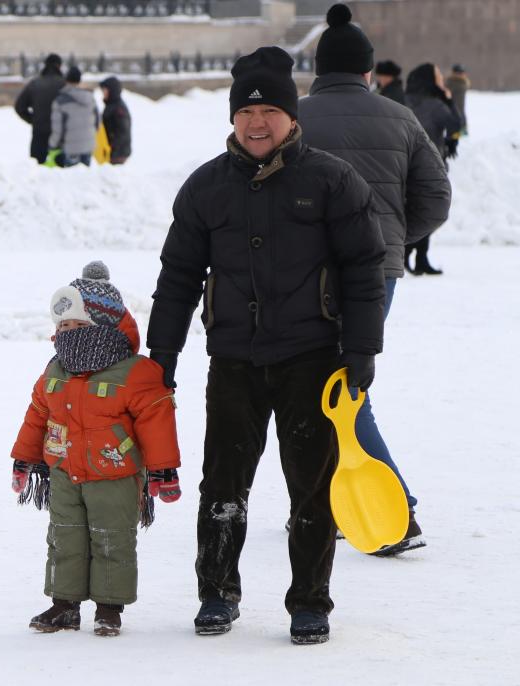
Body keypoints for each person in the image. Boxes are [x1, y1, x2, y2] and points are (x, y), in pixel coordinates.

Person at [147, 46, 386, 645]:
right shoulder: (205, 187)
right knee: (223, 486)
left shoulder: (332, 179)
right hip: (234, 360)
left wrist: (362, 350)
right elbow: (177, 277)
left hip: (312, 359)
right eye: (248, 113)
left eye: (271, 112)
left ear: (292, 116)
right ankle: (217, 593)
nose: (259, 123)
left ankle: (310, 601)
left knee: (313, 485)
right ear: (233, 119)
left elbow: (364, 268)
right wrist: (163, 354)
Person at [299, 2, 450, 555]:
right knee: (344, 380)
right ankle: (336, 500)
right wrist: (393, 240)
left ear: (319, 69)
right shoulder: (401, 117)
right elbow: (436, 198)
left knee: (335, 387)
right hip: (377, 274)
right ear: (367, 71)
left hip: (305, 275)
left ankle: (395, 509)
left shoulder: (296, 116)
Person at [10, 261, 181, 638]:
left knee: (112, 538)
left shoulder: (135, 372)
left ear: (101, 325)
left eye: (75, 326)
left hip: (115, 474)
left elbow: (157, 419)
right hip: (64, 470)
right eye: (61, 327)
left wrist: (163, 470)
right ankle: (64, 605)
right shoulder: (56, 370)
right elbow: (38, 415)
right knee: (64, 535)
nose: (65, 334)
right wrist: (25, 458)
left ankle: (109, 608)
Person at [404, 63, 462, 275]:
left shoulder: (404, 100)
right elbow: (457, 124)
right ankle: (413, 254)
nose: (442, 78)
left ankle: (415, 256)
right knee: (430, 211)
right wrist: (448, 98)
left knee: (412, 210)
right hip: (431, 165)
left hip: (405, 164)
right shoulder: (437, 105)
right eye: (438, 75)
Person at [14, 53, 66, 164]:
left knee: (37, 170)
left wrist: (33, 120)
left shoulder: (35, 84)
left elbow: (19, 107)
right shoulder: (65, 85)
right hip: (60, 135)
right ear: (59, 66)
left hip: (39, 133)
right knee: (61, 174)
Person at [48, 66, 99, 167]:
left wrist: (52, 145)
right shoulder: (90, 98)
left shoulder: (60, 101)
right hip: (88, 146)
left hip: (71, 148)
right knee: (85, 179)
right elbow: (97, 122)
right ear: (79, 80)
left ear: (66, 79)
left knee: (72, 179)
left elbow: (57, 129)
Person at [99, 76, 131, 165]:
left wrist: (112, 147)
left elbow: (123, 132)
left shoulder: (118, 108)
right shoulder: (111, 105)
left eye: (105, 90)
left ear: (112, 90)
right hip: (112, 152)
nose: (103, 92)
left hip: (118, 154)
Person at [447, 64, 470, 135]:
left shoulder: (455, 83)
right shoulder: (462, 82)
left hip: (456, 117)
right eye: (460, 73)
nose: (461, 74)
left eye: (462, 72)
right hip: (456, 116)